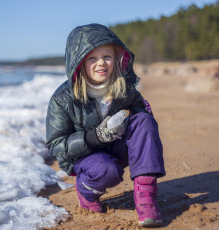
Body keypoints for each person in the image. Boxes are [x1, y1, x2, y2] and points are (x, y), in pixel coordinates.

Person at [46, 23, 165, 227]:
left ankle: (146, 198)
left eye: (106, 57)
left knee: (144, 122)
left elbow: (142, 114)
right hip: (84, 157)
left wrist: (127, 118)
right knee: (106, 170)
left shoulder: (123, 87)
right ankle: (86, 191)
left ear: (116, 58)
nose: (101, 63)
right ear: (79, 62)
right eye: (92, 58)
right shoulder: (62, 99)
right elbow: (56, 144)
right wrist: (94, 137)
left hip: (116, 146)